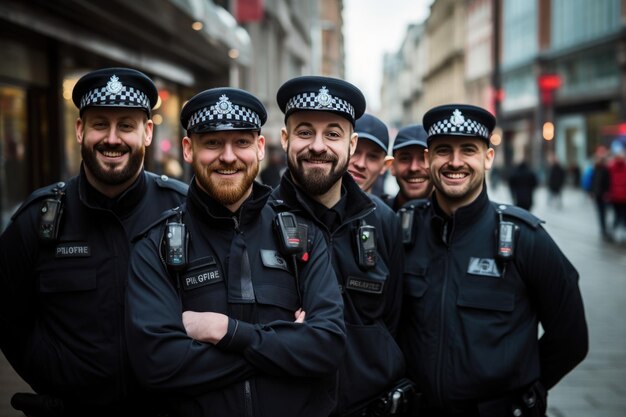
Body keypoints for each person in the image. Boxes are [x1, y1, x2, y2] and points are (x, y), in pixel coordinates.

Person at [124, 87, 346, 417]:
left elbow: (327, 346)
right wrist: (284, 350)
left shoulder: (305, 236)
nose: (228, 157)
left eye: (241, 142)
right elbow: (157, 365)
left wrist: (226, 332)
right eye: (213, 142)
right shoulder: (155, 246)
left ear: (258, 147)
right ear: (188, 149)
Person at [0, 67, 188, 416]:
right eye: (100, 124)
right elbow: (9, 317)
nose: (112, 138)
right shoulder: (37, 221)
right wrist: (52, 375)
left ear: (147, 133)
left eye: (126, 126)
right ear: (79, 129)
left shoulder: (183, 210)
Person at [400, 104, 588, 417]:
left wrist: (524, 392)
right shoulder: (404, 232)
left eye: (468, 150)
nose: (455, 162)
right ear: (429, 158)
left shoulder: (525, 238)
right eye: (443, 150)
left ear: (487, 158)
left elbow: (571, 338)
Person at [273, 76, 410, 417]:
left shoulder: (383, 222)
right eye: (305, 132)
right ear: (285, 139)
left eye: (333, 134)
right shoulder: (257, 219)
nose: (318, 146)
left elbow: (392, 319)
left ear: (350, 145)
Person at [383, 124, 432, 211]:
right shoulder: (378, 215)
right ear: (392, 166)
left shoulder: (453, 219)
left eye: (423, 158)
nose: (413, 168)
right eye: (405, 159)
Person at [348, 113, 393, 193]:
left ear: (385, 165)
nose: (360, 164)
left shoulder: (383, 206)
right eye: (354, 151)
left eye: (373, 157)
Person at [588, 148, 611, 241]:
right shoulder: (595, 169)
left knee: (604, 212)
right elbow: (592, 181)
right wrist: (591, 191)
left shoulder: (606, 169)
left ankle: (605, 229)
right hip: (598, 194)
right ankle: (603, 229)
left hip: (603, 194)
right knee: (601, 213)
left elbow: (608, 182)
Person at [607, 147, 626, 242]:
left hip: (616, 197)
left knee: (618, 215)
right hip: (619, 197)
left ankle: (615, 232)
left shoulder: (611, 166)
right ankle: (618, 232)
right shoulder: (612, 167)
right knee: (621, 215)